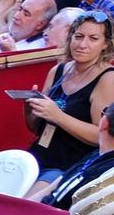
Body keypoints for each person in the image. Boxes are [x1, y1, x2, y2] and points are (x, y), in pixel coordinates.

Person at [28, 13, 114, 177]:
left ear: (105, 45)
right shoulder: (58, 70)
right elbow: (35, 127)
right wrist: (30, 108)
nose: (83, 44)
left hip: (70, 168)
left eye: (93, 38)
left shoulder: (108, 79)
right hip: (37, 157)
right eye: (79, 36)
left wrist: (58, 116)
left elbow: (102, 136)